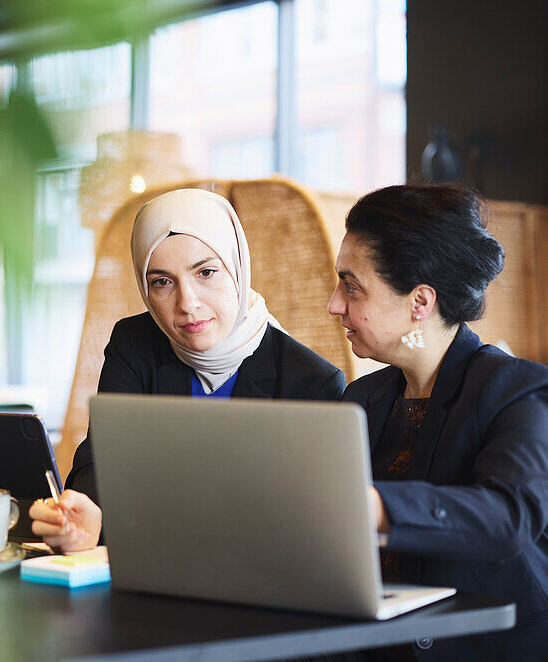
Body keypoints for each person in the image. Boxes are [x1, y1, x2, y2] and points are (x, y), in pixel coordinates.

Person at [328, 184, 548, 660]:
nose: (334, 304)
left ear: (420, 302)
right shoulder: (362, 399)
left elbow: (506, 516)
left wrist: (372, 507)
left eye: (351, 286)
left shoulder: (522, 391)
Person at [31, 188, 346, 552]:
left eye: (206, 272)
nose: (187, 303)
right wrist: (85, 518)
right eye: (162, 282)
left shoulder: (310, 381)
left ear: (238, 269)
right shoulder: (135, 345)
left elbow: (307, 527)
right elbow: (101, 464)